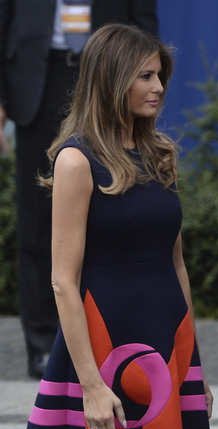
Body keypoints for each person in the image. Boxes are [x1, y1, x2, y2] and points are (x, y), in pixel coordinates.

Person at [0, 24, 218, 429]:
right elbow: (62, 279)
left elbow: (176, 263)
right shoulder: (76, 160)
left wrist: (195, 366)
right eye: (145, 76)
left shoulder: (161, 152)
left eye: (160, 75)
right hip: (104, 350)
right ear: (111, 80)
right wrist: (91, 386)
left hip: (168, 346)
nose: (159, 87)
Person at [0, 0, 159, 379]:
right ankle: (43, 345)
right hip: (37, 81)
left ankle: (110, 339)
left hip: (107, 81)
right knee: (39, 223)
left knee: (114, 216)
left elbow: (144, 26)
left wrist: (143, 85)